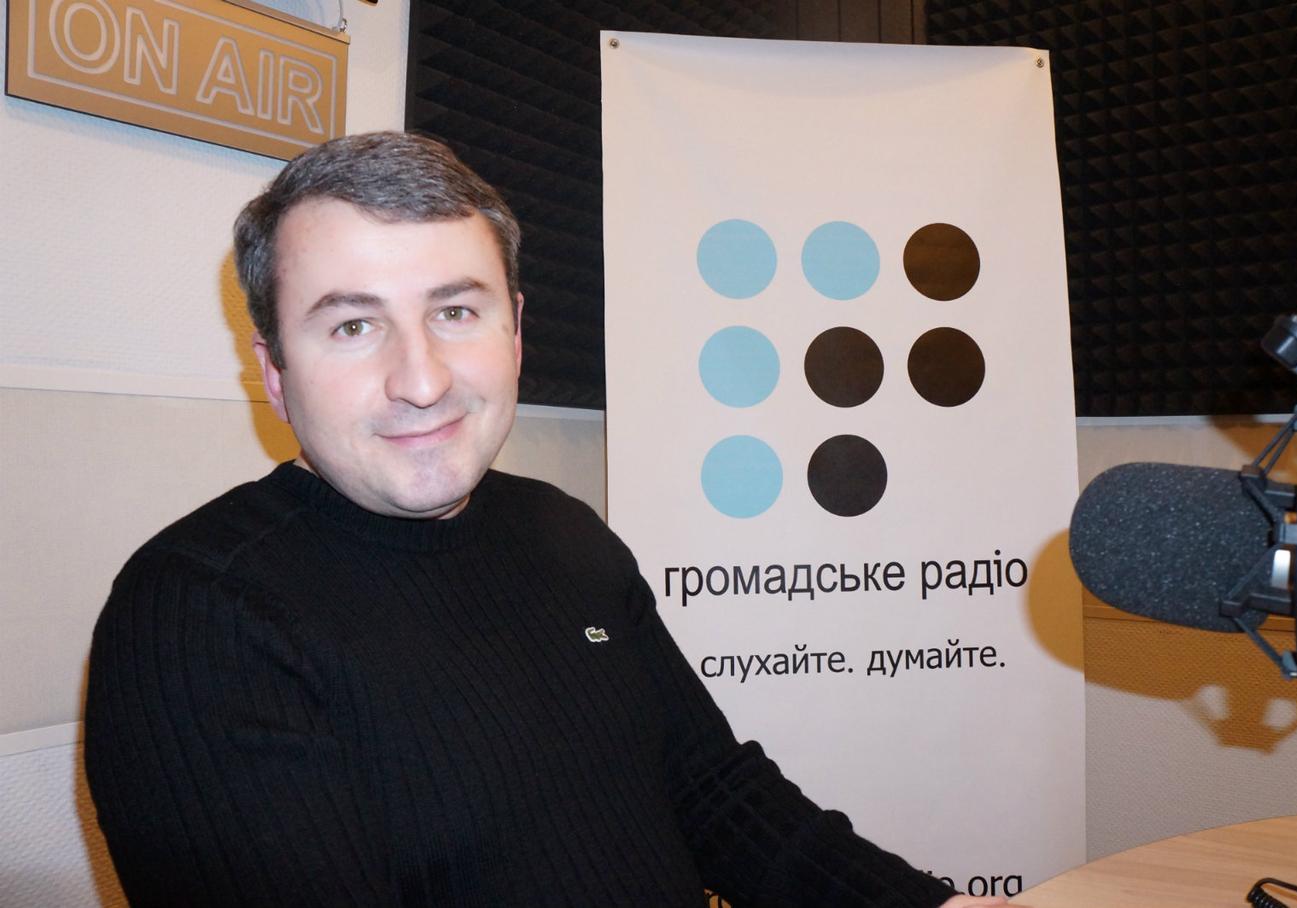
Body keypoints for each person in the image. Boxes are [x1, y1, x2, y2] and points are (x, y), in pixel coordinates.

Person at [84, 131, 1019, 907]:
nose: (421, 380)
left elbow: (716, 796)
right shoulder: (200, 614)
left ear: (517, 331)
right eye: (353, 326)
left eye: (456, 311)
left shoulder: (563, 533)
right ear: (274, 372)